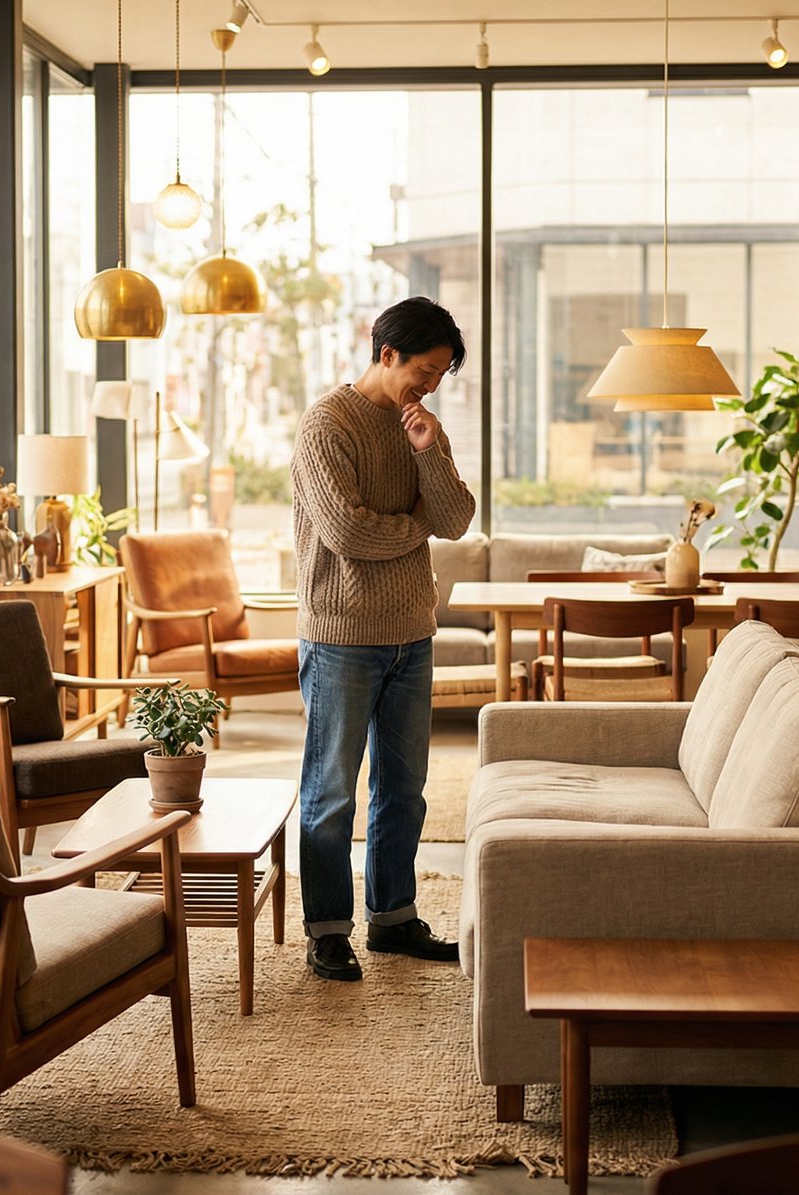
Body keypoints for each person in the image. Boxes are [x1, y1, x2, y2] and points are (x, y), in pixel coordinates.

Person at [290, 296, 477, 982]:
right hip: (341, 637)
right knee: (332, 791)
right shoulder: (325, 424)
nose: (430, 385)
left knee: (404, 790)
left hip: (411, 635)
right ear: (387, 352)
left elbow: (456, 518)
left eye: (441, 375)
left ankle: (393, 918)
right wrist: (416, 523)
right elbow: (349, 531)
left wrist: (429, 454)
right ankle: (327, 931)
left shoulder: (420, 424)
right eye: (424, 370)